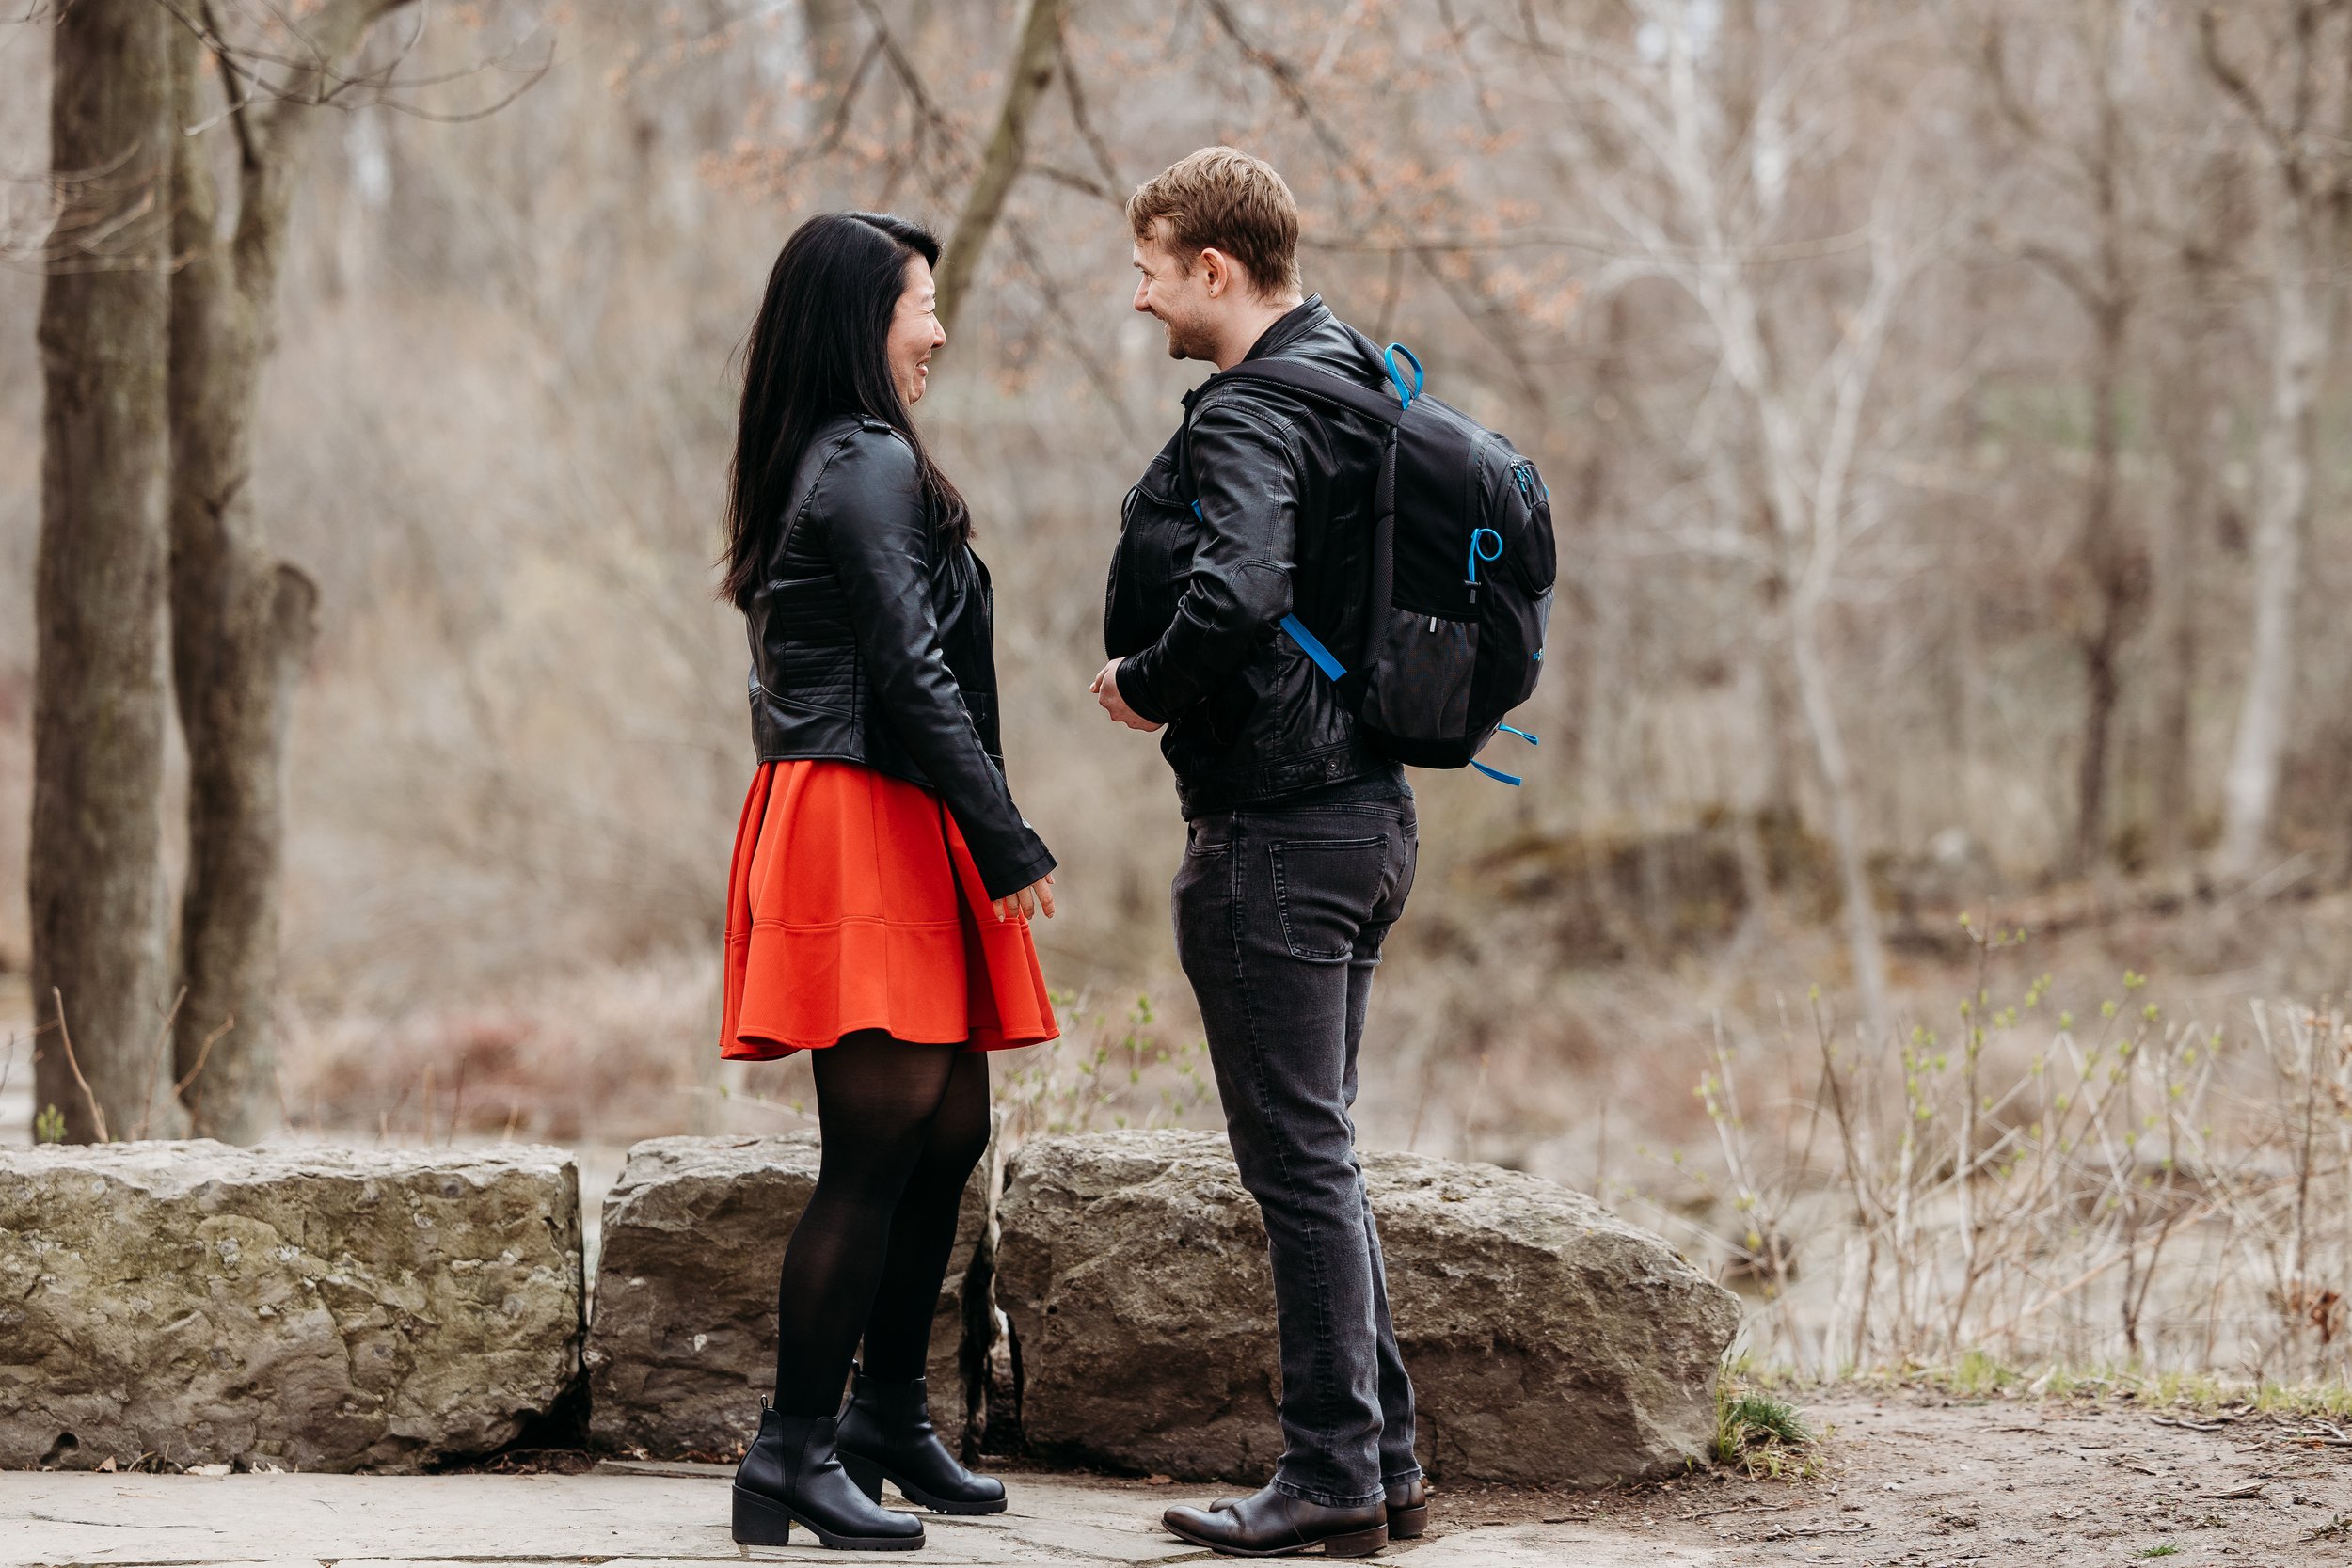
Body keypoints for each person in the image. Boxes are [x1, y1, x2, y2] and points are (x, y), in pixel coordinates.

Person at [1091, 148, 1427, 1560]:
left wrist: (1144, 684)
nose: (1142, 294)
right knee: (1324, 1156)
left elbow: (1235, 591)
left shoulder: (1246, 412)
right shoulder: (1358, 375)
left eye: (1152, 268)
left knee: (1296, 1164)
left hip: (1279, 831)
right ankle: (1385, 1463)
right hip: (1372, 815)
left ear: (1214, 271)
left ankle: (1332, 1473)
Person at [717, 211, 1059, 1553]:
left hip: (901, 808)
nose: (937, 330)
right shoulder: (857, 464)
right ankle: (788, 1454)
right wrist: (1009, 835)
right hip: (860, 808)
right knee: (872, 1147)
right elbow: (911, 672)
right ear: (862, 323)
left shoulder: (851, 456)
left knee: (950, 1124)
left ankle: (886, 1416)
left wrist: (974, 826)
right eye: (921, 304)